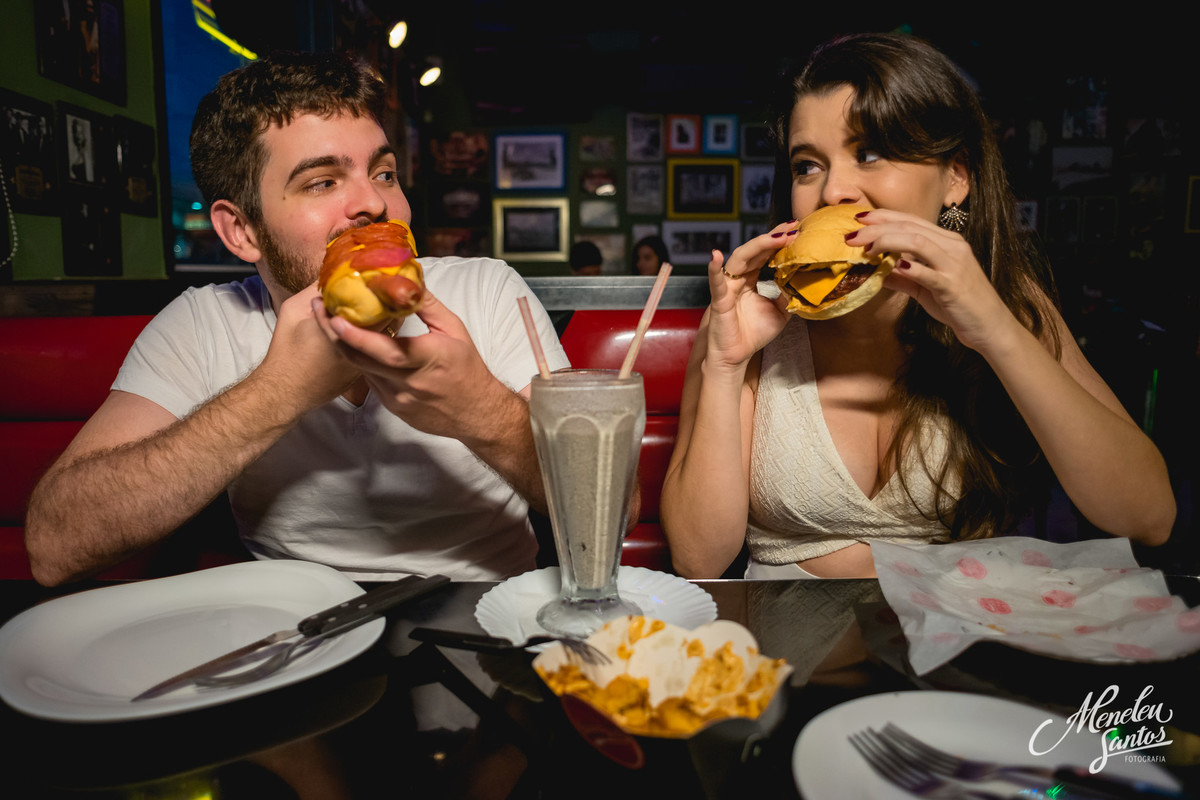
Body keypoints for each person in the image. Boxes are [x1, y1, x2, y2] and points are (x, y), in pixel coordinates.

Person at [25, 51, 568, 586]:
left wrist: (482, 411)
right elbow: (54, 548)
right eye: (322, 182)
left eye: (383, 173)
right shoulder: (204, 323)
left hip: (488, 614)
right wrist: (278, 391)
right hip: (296, 629)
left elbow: (612, 500)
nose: (373, 203)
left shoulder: (486, 290)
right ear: (242, 231)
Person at [660, 33, 1174, 580]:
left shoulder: (1009, 304)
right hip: (785, 642)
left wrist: (995, 331)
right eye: (808, 165)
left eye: (871, 153)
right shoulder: (749, 317)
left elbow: (1148, 518)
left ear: (956, 177)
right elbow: (698, 559)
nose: (833, 191)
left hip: (964, 636)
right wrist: (724, 365)